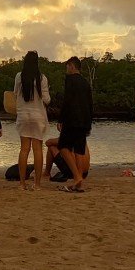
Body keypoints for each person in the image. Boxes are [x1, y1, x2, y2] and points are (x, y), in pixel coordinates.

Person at [13, 50, 52, 190]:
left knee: (24, 150)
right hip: (38, 116)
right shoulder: (42, 78)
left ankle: (22, 183)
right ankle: (37, 184)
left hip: (23, 115)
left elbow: (15, 93)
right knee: (37, 150)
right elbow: (47, 100)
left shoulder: (19, 76)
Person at [58, 57, 93, 192]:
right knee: (78, 150)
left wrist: (61, 119)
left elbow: (67, 100)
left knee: (63, 147)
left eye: (67, 67)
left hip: (72, 119)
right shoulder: (85, 82)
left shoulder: (70, 80)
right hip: (84, 120)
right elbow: (90, 104)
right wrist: (89, 124)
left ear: (72, 66)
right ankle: (79, 183)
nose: (67, 69)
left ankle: (77, 176)